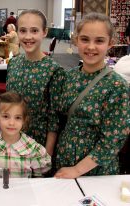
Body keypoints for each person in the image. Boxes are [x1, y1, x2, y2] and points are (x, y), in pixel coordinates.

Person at [54, 13, 129, 178]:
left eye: (99, 41)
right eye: (85, 39)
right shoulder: (69, 76)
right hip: (64, 160)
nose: (91, 47)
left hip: (96, 170)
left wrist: (77, 170)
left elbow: (113, 140)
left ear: (111, 43)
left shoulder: (116, 86)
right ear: (76, 41)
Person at [6, 9, 64, 156]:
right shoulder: (13, 64)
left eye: (34, 31)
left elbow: (54, 119)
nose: (28, 37)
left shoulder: (54, 70)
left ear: (44, 32)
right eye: (23, 31)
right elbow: (10, 100)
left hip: (38, 143)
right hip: (12, 138)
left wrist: (48, 153)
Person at [0, 92, 51, 177]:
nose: (11, 123)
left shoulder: (33, 149)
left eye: (18, 118)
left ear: (24, 119)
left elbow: (39, 180)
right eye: (6, 116)